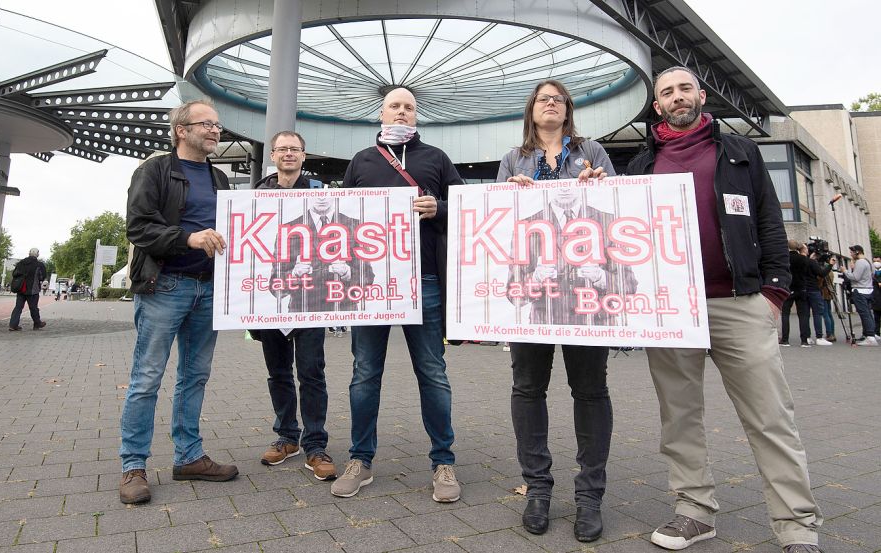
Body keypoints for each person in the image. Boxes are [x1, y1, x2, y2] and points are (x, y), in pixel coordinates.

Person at [627, 67, 822, 553]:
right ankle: (694, 512)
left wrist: (774, 292)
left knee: (770, 417)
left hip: (738, 302)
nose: (676, 97)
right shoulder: (640, 164)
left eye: (684, 88)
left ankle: (797, 526)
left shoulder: (740, 151)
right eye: (666, 92)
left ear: (701, 94)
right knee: (680, 417)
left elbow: (769, 219)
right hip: (671, 310)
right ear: (657, 106)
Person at [495, 79, 635, 541]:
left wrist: (604, 184)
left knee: (590, 390)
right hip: (536, 302)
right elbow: (499, 231)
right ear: (531, 110)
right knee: (528, 387)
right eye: (542, 98)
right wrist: (508, 197)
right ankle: (537, 488)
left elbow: (621, 213)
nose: (550, 103)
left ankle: (589, 495)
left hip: (587, 302)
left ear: (568, 109)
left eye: (558, 98)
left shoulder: (592, 151)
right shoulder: (513, 160)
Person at [330, 87, 463, 503]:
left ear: (417, 115)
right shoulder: (361, 161)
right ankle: (360, 459)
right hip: (370, 285)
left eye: (409, 107)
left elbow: (465, 205)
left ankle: (443, 462)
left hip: (423, 282)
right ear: (381, 112)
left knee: (433, 373)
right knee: (365, 373)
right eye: (395, 106)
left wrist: (438, 208)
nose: (402, 112)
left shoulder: (436, 158)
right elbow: (340, 220)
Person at [119, 99, 236, 505]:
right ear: (181, 130)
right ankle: (133, 465)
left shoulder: (220, 178)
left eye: (217, 125)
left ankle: (189, 457)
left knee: (195, 376)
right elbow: (138, 226)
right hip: (165, 286)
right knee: (147, 377)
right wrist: (188, 238)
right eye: (206, 124)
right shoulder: (154, 170)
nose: (215, 130)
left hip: (208, 289)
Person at [251, 131, 365, 481]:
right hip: (275, 306)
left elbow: (343, 247)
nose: (288, 154)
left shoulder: (321, 196)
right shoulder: (258, 197)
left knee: (312, 373)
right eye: (282, 149)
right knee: (278, 372)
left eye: (294, 150)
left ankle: (316, 444)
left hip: (314, 303)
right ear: (272, 155)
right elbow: (261, 263)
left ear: (304, 156)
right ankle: (287, 436)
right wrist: (286, 272)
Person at [780, 241, 830, 347]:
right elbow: (812, 270)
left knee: (785, 314)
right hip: (801, 288)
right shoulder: (804, 259)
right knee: (803, 314)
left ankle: (785, 339)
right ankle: (804, 340)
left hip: (788, 287)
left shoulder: (784, 258)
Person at [842, 245, 877, 345]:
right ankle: (869, 334)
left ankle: (870, 336)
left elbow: (855, 277)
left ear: (857, 252)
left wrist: (845, 271)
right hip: (868, 290)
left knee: (864, 314)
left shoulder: (860, 262)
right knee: (868, 313)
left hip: (860, 290)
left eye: (852, 252)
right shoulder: (868, 262)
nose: (851, 254)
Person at [8, 248, 47, 331]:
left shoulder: (21, 263)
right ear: (37, 254)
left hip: (21, 288)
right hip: (33, 290)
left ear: (29, 253)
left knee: (18, 307)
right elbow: (42, 277)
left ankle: (13, 325)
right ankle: (37, 324)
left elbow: (14, 274)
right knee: (33, 308)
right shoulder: (39, 265)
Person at [873, 256, 881, 337]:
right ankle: (877, 332)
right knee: (876, 317)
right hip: (876, 298)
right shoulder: (872, 273)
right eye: (874, 261)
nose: (876, 263)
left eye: (878, 261)